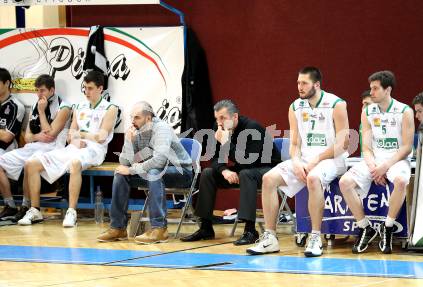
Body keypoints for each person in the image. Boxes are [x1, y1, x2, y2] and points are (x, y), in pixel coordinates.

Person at [246, 66, 349, 257]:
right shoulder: (295, 107)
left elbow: (343, 144)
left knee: (313, 178)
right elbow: (294, 143)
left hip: (332, 159)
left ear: (316, 84)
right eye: (298, 83)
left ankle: (316, 236)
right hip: (305, 159)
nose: (299, 87)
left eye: (304, 83)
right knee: (268, 179)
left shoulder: (336, 104)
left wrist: (314, 162)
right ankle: (270, 237)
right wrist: (295, 161)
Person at [18, 71, 118, 227]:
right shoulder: (78, 106)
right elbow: (70, 135)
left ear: (100, 88)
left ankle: (72, 212)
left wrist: (81, 135)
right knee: (31, 164)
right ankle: (35, 210)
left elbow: (102, 136)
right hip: (74, 146)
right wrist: (76, 138)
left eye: (90, 88)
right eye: (84, 88)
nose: (86, 92)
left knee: (75, 162)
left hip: (95, 150)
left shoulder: (111, 108)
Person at [181, 99, 281, 245]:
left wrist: (226, 143)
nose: (219, 122)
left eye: (223, 118)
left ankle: (250, 230)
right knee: (208, 173)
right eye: (217, 118)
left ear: (235, 117)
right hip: (245, 168)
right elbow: (214, 158)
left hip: (268, 169)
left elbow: (249, 161)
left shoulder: (253, 128)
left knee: (246, 174)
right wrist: (224, 170)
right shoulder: (218, 128)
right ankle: (206, 227)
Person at [339, 71, 414, 254]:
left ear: (387, 90)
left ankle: (387, 227)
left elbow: (406, 147)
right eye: (371, 88)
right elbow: (367, 146)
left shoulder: (405, 111)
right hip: (374, 160)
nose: (371, 92)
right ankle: (365, 227)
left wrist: (385, 167)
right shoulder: (367, 112)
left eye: (375, 88)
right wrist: (374, 168)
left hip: (397, 159)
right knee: (345, 182)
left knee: (402, 181)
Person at [96, 101, 193, 244]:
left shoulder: (162, 129)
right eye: (131, 117)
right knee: (120, 174)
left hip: (181, 172)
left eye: (136, 118)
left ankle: (160, 229)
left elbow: (159, 161)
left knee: (154, 172)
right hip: (155, 172)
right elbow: (124, 163)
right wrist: (128, 141)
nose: (133, 121)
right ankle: (118, 227)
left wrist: (131, 170)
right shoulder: (137, 131)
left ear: (148, 118)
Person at [0, 74, 70, 221]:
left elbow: (50, 134)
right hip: (35, 145)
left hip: (54, 148)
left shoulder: (64, 107)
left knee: (29, 164)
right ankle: (10, 205)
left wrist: (42, 112)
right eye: (37, 90)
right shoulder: (35, 105)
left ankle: (26, 207)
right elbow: (27, 137)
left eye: (42, 90)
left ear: (52, 90)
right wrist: (37, 137)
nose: (39, 94)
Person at [0, 67, 26, 220]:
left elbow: (7, 137)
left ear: (7, 83)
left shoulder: (16, 106)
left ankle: (10, 205)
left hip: (7, 150)